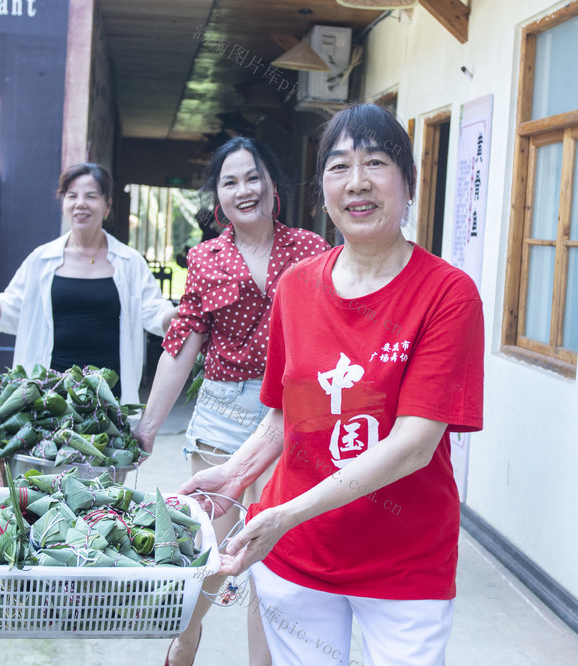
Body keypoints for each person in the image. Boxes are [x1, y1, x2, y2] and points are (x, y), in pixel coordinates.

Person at [180, 103, 484, 666]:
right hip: (298, 555)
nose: (357, 182)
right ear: (322, 189)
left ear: (409, 182)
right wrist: (237, 472)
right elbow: (284, 413)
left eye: (376, 163)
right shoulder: (297, 286)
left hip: (403, 561)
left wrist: (285, 515)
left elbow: (414, 446)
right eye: (339, 166)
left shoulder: (447, 294)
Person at [132, 137, 329, 666]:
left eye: (253, 176)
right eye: (230, 181)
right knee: (210, 550)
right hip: (224, 411)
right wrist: (148, 427)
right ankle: (185, 637)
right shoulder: (206, 258)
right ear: (217, 197)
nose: (245, 189)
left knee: (271, 555)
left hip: (291, 414)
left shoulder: (311, 249)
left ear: (272, 184)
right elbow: (182, 345)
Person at [0, 162, 176, 406]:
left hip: (107, 397)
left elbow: (154, 312)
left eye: (90, 196)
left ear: (107, 205)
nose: (80, 203)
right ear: (63, 203)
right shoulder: (41, 259)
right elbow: (10, 311)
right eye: (72, 196)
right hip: (48, 398)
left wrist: (181, 314)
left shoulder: (130, 262)